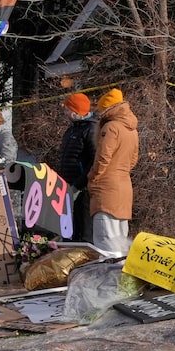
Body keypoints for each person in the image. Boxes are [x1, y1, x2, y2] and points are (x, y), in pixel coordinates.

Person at [88, 88, 139, 257]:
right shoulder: (132, 129)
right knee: (120, 240)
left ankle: (107, 281)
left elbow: (103, 158)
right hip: (124, 186)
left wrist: (93, 177)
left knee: (105, 241)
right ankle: (121, 280)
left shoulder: (111, 128)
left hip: (107, 189)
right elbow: (133, 160)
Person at [59, 92, 97, 242]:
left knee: (84, 228)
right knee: (69, 228)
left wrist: (79, 185)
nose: (65, 113)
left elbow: (93, 161)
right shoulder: (72, 129)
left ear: (76, 111)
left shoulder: (91, 130)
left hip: (83, 188)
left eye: (68, 109)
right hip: (68, 185)